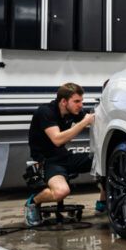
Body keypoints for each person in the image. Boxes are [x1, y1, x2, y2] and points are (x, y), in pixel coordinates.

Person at [24, 82, 103, 227]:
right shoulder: (45, 112)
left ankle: (103, 203)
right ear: (63, 101)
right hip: (48, 161)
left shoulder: (74, 111)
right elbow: (57, 139)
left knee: (105, 163)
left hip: (64, 157)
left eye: (82, 101)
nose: (80, 105)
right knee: (61, 192)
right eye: (77, 101)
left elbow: (94, 120)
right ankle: (33, 202)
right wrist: (83, 122)